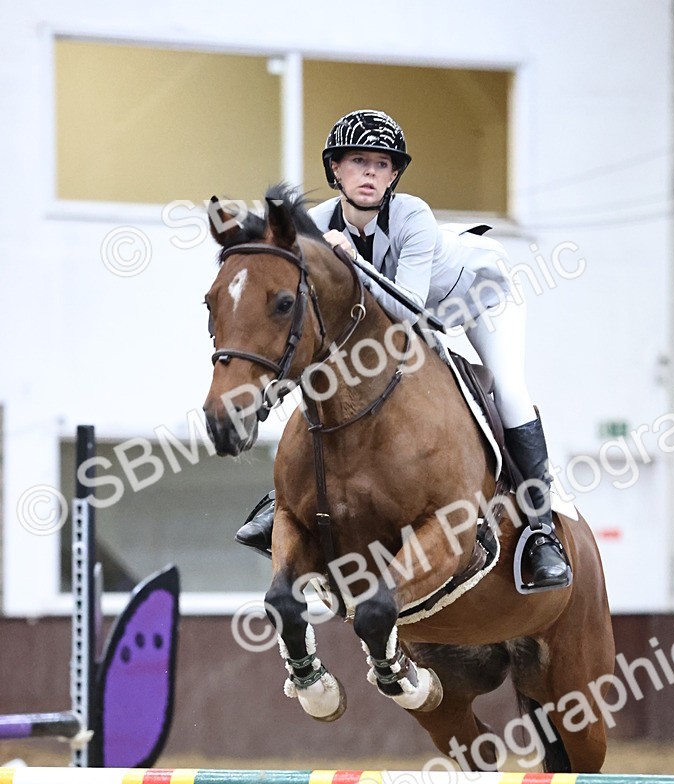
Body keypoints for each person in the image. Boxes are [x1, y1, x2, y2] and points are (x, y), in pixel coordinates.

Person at [236, 109, 571, 591]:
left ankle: (541, 533)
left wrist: (350, 266)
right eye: (358, 161)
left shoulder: (412, 214)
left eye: (381, 164)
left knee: (511, 393)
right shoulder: (316, 224)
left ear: (394, 175)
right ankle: (285, 502)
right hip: (402, 312)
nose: (370, 172)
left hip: (475, 299)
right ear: (336, 170)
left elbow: (409, 310)